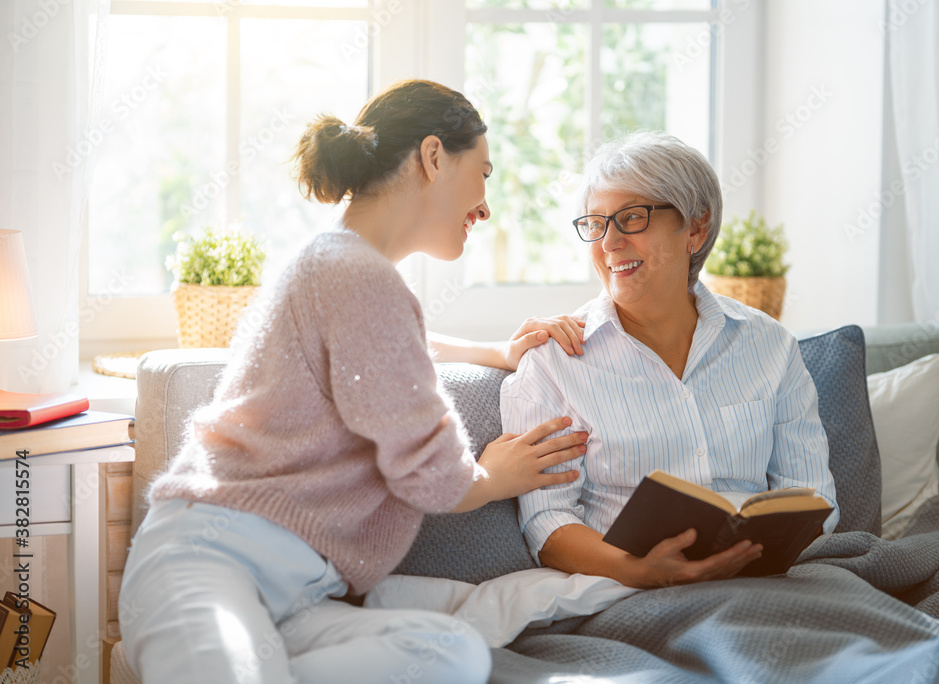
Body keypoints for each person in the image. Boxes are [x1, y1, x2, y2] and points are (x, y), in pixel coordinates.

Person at [119, 79, 589, 684]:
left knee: (455, 652)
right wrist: (495, 477)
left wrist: (495, 351)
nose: (485, 205)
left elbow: (393, 348)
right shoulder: (354, 276)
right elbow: (434, 478)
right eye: (485, 173)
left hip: (297, 602)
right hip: (213, 563)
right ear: (433, 156)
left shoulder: (341, 267)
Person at [501, 132, 840, 591]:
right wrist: (638, 572)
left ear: (695, 230)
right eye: (596, 224)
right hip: (632, 592)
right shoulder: (553, 364)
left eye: (632, 218)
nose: (610, 242)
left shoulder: (770, 345)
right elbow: (547, 523)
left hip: (769, 583)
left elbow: (813, 497)